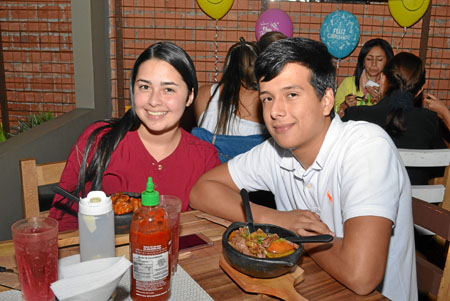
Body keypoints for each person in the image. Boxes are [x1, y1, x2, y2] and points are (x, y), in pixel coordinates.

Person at [190, 37, 417, 301]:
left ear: (326, 100)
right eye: (267, 98)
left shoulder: (366, 147)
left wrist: (297, 236)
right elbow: (201, 190)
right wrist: (279, 221)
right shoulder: (275, 151)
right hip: (310, 285)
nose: (275, 111)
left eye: (292, 95)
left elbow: (361, 276)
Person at [49, 42, 221, 231]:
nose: (154, 101)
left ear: (189, 97)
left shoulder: (205, 157)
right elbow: (64, 223)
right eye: (145, 87)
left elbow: (210, 229)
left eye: (168, 89)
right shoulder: (101, 140)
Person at [343, 52, 447, 185]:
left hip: (365, 201)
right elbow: (440, 166)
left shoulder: (354, 116)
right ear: (420, 90)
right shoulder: (430, 120)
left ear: (382, 79)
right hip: (416, 204)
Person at [192, 37, 267, 163]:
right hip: (247, 174)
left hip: (209, 170)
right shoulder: (263, 99)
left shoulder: (204, 93)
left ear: (228, 65)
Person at [335, 38, 394, 116]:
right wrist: (345, 105)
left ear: (387, 61)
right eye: (369, 59)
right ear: (363, 61)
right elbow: (333, 111)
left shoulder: (391, 87)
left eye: (379, 59)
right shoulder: (349, 83)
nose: (374, 64)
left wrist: (382, 102)